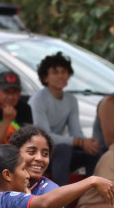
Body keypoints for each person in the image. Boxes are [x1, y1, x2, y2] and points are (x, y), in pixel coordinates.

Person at [28, 51, 99, 185]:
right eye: (55, 72)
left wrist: (88, 143)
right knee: (64, 149)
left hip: (60, 152)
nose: (61, 76)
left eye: (64, 72)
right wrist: (79, 141)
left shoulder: (71, 100)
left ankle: (90, 198)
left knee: (94, 151)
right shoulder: (38, 99)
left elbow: (76, 132)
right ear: (45, 78)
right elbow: (44, 137)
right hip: (39, 153)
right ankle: (60, 200)